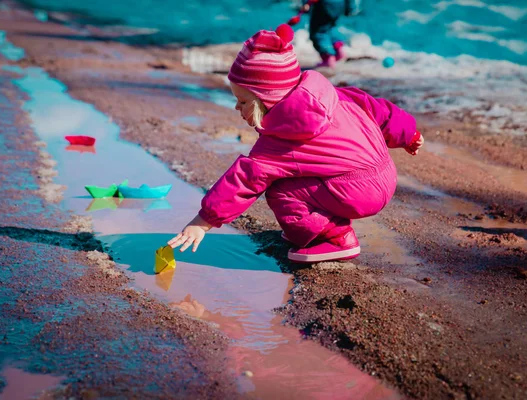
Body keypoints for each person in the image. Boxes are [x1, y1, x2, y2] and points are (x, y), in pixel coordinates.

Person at [168, 24, 423, 263]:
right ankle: (317, 225)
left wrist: (202, 221)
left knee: (281, 191)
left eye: (244, 102)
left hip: (358, 192)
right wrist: (408, 134)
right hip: (386, 174)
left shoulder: (280, 139)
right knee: (293, 178)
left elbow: (245, 180)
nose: (237, 107)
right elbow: (376, 108)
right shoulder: (331, 95)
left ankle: (336, 238)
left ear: (266, 99)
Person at [299, 0, 361, 68]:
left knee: (318, 32)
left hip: (324, 5)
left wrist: (306, 3)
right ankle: (339, 50)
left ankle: (328, 57)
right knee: (331, 26)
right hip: (340, 4)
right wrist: (350, 7)